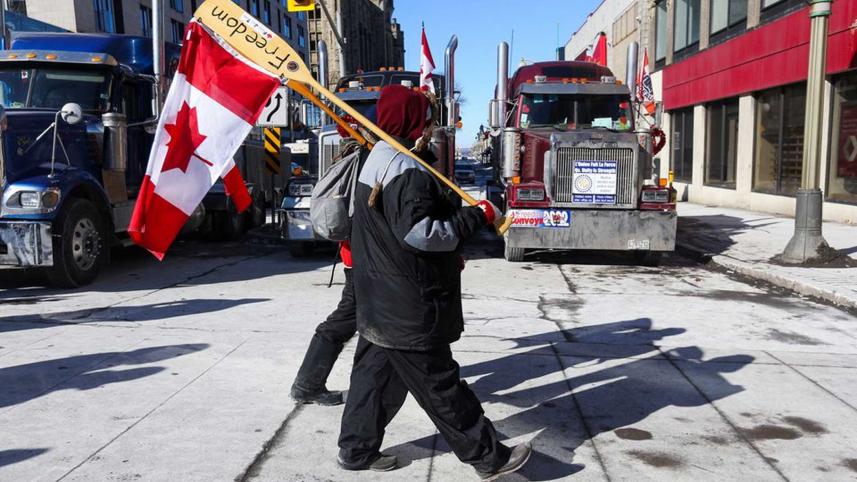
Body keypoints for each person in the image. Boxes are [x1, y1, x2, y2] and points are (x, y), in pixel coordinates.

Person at [337, 85, 532, 479]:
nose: (429, 127)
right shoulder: (406, 169)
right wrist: (478, 216)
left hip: (378, 296)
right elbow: (421, 234)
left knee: (373, 378)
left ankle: (356, 451)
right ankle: (489, 457)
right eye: (426, 120)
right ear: (412, 122)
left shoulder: (377, 157)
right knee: (441, 386)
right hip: (408, 304)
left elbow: (392, 230)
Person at [289, 127, 365, 406]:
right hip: (362, 257)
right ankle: (307, 384)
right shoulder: (363, 162)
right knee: (346, 317)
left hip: (355, 255)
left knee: (358, 316)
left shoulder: (348, 160)